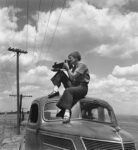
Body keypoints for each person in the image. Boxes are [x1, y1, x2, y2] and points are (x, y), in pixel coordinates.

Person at [48, 51, 90, 123]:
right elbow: (70, 76)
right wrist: (57, 69)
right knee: (60, 73)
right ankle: (55, 90)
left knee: (68, 91)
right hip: (75, 85)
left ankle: (67, 113)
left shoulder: (82, 65)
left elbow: (73, 77)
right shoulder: (74, 67)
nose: (69, 60)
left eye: (71, 58)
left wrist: (67, 69)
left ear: (76, 58)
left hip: (82, 87)